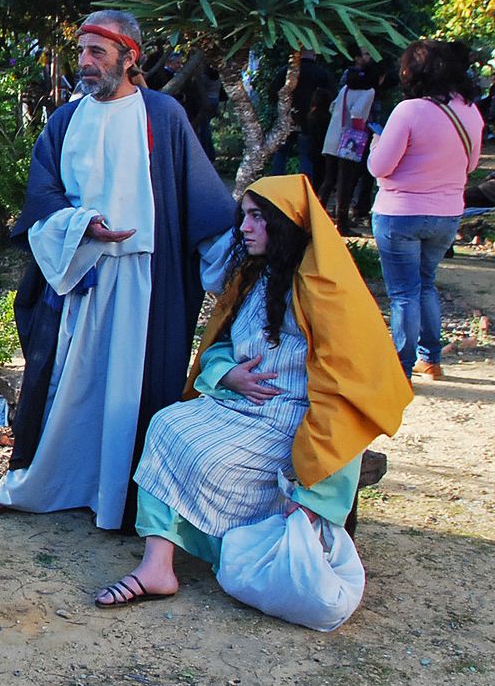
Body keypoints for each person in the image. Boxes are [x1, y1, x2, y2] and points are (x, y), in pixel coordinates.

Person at [0, 10, 237, 529]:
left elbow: (202, 202)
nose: (85, 64)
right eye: (82, 52)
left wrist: (242, 257)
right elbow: (41, 197)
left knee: (132, 392)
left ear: (129, 57)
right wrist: (83, 225)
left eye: (97, 52)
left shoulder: (164, 117)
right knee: (64, 386)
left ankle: (126, 501)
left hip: (145, 284)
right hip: (77, 275)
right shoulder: (64, 121)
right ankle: (36, 484)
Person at [94, 175, 413, 610]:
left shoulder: (328, 292)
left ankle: (237, 547)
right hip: (239, 404)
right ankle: (158, 566)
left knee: (209, 456)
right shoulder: (254, 276)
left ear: (287, 224)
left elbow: (345, 395)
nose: (244, 228)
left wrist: (313, 491)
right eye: (244, 216)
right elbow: (222, 344)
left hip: (291, 420)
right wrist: (229, 375)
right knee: (168, 424)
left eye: (258, 218)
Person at [368, 40, 486, 380]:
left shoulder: (408, 111)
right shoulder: (469, 111)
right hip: (447, 212)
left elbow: (380, 166)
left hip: (400, 212)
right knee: (425, 285)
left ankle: (400, 369)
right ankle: (430, 359)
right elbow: (472, 162)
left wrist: (376, 146)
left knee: (404, 292)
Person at [317, 59, 379, 235]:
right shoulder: (369, 92)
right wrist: (361, 130)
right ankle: (341, 222)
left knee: (329, 179)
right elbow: (358, 112)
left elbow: (332, 107)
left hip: (332, 137)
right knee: (345, 181)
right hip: (350, 140)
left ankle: (317, 214)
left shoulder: (345, 89)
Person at [270, 49, 337, 182]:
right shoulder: (321, 74)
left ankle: (274, 185)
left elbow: (272, 93)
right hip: (310, 120)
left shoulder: (286, 71)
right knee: (306, 156)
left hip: (287, 117)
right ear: (314, 55)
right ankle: (304, 188)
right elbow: (332, 97)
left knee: (281, 153)